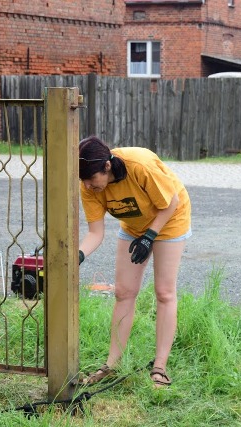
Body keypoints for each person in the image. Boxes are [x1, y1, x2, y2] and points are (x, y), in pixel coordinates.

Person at [77, 136, 191, 388]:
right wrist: (78, 256)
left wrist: (151, 236)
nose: (86, 185)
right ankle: (112, 364)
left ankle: (160, 366)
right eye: (82, 180)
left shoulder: (140, 165)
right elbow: (95, 233)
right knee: (124, 291)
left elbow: (171, 202)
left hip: (170, 219)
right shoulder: (89, 187)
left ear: (107, 166)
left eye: (90, 178)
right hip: (134, 225)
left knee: (164, 292)